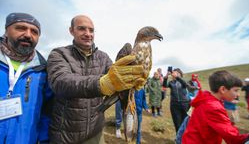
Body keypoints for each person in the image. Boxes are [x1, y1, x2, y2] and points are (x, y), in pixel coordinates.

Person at [47, 14, 146, 144]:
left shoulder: (103, 57)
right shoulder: (59, 54)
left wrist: (133, 80)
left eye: (91, 30)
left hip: (96, 133)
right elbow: (61, 82)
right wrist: (101, 84)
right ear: (71, 31)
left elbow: (117, 77)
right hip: (65, 135)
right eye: (82, 29)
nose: (88, 34)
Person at [0, 12, 53, 143]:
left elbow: (47, 111)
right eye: (21, 28)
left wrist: (44, 139)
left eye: (34, 32)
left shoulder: (43, 70)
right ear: (6, 30)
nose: (28, 35)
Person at [182, 70, 249, 144]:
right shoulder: (214, 107)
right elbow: (233, 138)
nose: (238, 94)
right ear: (223, 89)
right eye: (236, 90)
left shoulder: (207, 99)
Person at [163, 68, 190, 133]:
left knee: (185, 123)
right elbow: (164, 85)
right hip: (174, 105)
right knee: (177, 123)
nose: (174, 75)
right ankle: (179, 139)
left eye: (177, 73)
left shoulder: (183, 81)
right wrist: (166, 76)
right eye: (174, 73)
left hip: (185, 104)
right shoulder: (171, 82)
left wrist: (177, 77)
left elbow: (186, 85)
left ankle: (185, 138)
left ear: (180, 74)